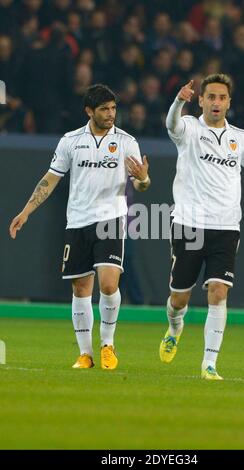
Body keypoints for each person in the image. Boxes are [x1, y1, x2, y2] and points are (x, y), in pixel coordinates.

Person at [159, 74, 244, 380]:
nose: (216, 102)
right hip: (189, 226)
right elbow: (171, 125)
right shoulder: (190, 128)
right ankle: (174, 327)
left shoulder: (242, 139)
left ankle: (209, 364)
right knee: (179, 298)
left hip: (226, 228)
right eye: (211, 97)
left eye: (222, 98)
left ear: (229, 103)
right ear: (202, 100)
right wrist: (179, 100)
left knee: (218, 292)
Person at [9, 83, 150, 370]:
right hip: (78, 221)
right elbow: (49, 179)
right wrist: (26, 211)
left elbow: (141, 184)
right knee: (81, 289)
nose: (111, 114)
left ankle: (107, 345)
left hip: (110, 219)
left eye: (113, 108)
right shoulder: (70, 141)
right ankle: (85, 354)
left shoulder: (126, 142)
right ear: (89, 111)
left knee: (109, 284)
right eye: (104, 109)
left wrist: (144, 179)